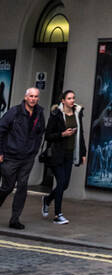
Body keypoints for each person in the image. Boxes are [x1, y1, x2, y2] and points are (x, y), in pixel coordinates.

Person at [0, 86, 45, 229]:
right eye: (31, 96)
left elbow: (40, 133)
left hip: (28, 158)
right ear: (26, 97)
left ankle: (15, 219)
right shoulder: (14, 112)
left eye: (36, 96)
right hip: (11, 157)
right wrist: (1, 152)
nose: (33, 99)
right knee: (7, 187)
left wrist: (34, 150)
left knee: (22, 188)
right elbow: (1, 130)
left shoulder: (39, 113)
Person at [42, 89, 86, 225]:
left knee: (65, 184)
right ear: (63, 101)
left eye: (73, 98)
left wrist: (83, 153)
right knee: (61, 182)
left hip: (69, 153)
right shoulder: (56, 115)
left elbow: (81, 135)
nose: (72, 101)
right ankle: (58, 215)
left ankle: (47, 200)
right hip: (56, 154)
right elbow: (48, 135)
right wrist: (62, 134)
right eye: (69, 98)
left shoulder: (77, 114)